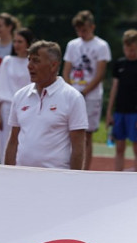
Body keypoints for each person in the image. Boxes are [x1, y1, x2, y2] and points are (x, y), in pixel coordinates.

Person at [5, 40, 86, 170]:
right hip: (22, 177)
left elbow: (78, 147)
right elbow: (13, 140)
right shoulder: (20, 96)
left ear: (53, 65)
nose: (29, 66)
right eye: (29, 60)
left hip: (55, 180)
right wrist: (7, 173)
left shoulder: (73, 97)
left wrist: (74, 180)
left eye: (36, 61)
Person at [63, 10, 111, 170]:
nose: (81, 33)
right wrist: (70, 90)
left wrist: (83, 92)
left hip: (91, 96)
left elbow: (100, 73)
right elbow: (66, 69)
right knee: (68, 133)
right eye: (78, 30)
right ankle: (69, 166)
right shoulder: (72, 45)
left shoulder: (101, 46)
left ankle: (85, 170)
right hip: (72, 94)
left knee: (86, 135)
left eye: (84, 29)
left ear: (92, 27)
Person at [105, 29, 137, 172]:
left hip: (136, 112)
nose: (129, 52)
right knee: (119, 147)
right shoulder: (119, 64)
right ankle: (118, 176)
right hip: (120, 111)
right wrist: (109, 112)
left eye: (132, 49)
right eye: (126, 49)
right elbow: (114, 88)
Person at [0, 27, 34, 164]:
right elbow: (1, 87)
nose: (16, 45)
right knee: (6, 141)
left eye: (20, 42)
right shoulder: (7, 61)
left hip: (28, 107)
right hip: (7, 108)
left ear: (28, 44)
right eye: (15, 41)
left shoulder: (32, 63)